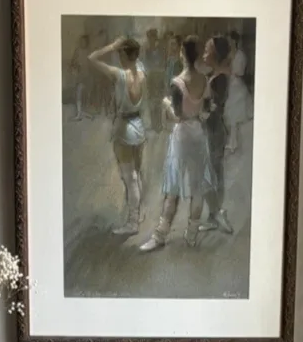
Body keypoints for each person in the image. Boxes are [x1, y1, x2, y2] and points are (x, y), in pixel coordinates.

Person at [140, 35, 212, 252]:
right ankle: (191, 235)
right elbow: (206, 112)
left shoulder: (177, 83)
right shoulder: (205, 81)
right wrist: (198, 115)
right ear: (197, 55)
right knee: (197, 187)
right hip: (198, 134)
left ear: (182, 54)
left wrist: (165, 104)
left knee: (173, 189)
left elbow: (176, 116)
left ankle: (160, 235)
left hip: (181, 136)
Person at [88, 35, 147, 235]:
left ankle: (132, 223)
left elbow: (92, 58)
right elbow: (136, 60)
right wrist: (126, 48)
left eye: (120, 52)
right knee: (136, 173)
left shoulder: (119, 75)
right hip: (138, 125)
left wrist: (112, 45)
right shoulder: (141, 72)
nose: (117, 56)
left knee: (129, 177)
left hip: (124, 127)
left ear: (123, 53)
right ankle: (137, 214)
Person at [201, 35, 234, 234]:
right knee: (212, 172)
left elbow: (213, 108)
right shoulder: (216, 75)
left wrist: (198, 113)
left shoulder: (220, 78)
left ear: (215, 54)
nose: (204, 54)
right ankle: (214, 214)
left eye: (207, 50)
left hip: (214, 130)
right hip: (212, 128)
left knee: (213, 172)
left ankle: (215, 214)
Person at [224, 30, 253, 153]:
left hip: (237, 85)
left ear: (235, 41)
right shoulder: (229, 54)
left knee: (235, 114)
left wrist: (230, 71)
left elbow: (240, 72)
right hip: (230, 83)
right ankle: (232, 141)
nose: (229, 43)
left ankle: (234, 142)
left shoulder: (240, 55)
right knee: (230, 115)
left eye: (231, 40)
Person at [142, 27, 165, 131]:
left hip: (159, 77)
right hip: (150, 77)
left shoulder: (160, 50)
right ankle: (153, 123)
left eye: (152, 37)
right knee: (151, 101)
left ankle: (158, 124)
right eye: (149, 38)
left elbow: (163, 63)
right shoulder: (147, 51)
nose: (150, 40)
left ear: (155, 38)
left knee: (158, 101)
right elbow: (146, 64)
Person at [68, 32, 91, 121]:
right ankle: (79, 113)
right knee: (78, 94)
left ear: (86, 42)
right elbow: (73, 62)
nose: (82, 43)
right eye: (81, 41)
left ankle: (81, 112)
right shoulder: (77, 51)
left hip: (87, 76)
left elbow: (91, 64)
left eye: (84, 41)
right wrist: (73, 69)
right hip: (79, 76)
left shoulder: (89, 52)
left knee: (82, 94)